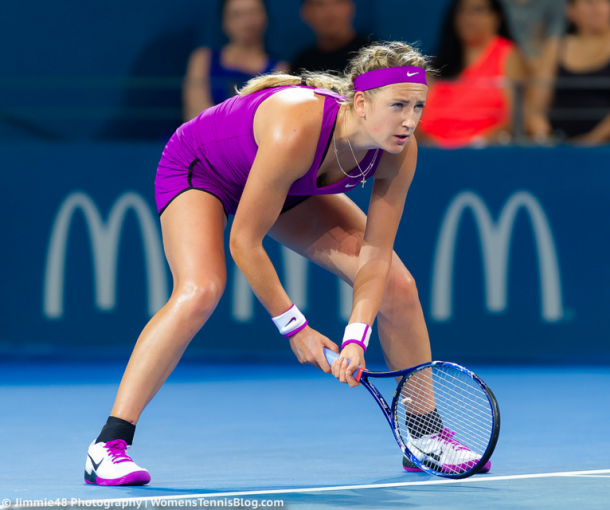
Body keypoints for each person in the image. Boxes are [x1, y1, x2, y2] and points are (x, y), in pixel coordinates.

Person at [83, 41, 491, 487]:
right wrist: (294, 327)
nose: (410, 121)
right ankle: (108, 445)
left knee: (398, 283)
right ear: (360, 102)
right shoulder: (298, 125)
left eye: (418, 106)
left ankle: (424, 435)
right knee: (200, 291)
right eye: (397, 106)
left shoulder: (400, 149)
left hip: (288, 184)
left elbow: (375, 253)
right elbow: (245, 240)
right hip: (202, 170)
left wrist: (357, 336)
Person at [416, 0, 527, 148]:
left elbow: (515, 120)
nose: (468, 17)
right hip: (433, 152)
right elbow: (414, 120)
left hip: (483, 153)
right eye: (462, 11)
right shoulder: (436, 65)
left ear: (496, 17)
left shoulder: (507, 55)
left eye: (477, 10)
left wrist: (476, 143)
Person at [183, 0, 288, 121]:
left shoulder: (280, 68)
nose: (247, 21)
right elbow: (196, 116)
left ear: (265, 17)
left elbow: (271, 121)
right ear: (224, 22)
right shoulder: (202, 59)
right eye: (237, 14)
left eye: (253, 12)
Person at [499, 0, 569, 139]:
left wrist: (535, 115)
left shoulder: (557, 6)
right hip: (512, 114)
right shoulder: (499, 7)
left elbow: (550, 56)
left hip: (542, 105)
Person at [549, 0, 610, 144]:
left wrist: (590, 141)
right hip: (560, 145)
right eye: (590, 3)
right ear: (571, 10)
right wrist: (543, 133)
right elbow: (536, 105)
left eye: (605, 2)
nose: (598, 9)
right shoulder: (555, 47)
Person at [290, 0, 371, 74]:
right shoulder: (301, 65)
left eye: (338, 2)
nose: (330, 11)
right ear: (305, 12)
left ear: (350, 7)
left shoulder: (374, 57)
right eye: (319, 4)